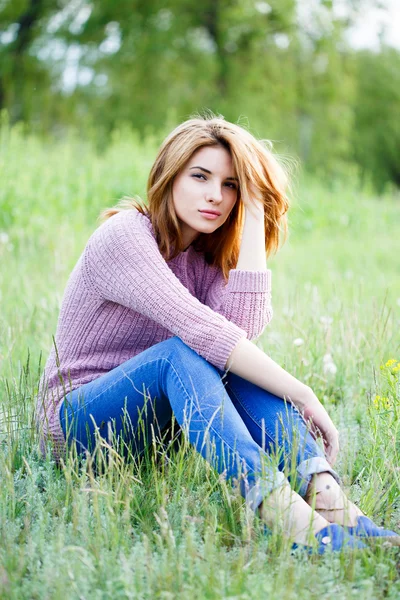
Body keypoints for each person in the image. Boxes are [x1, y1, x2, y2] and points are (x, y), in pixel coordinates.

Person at [36, 114, 399, 554]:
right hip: (79, 426)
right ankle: (289, 518)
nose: (215, 196)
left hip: (155, 433)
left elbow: (238, 338)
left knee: (224, 357)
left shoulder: (205, 257)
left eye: (231, 185)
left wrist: (253, 215)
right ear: (169, 176)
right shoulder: (125, 236)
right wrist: (302, 393)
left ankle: (334, 503)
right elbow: (204, 334)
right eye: (201, 177)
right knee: (182, 352)